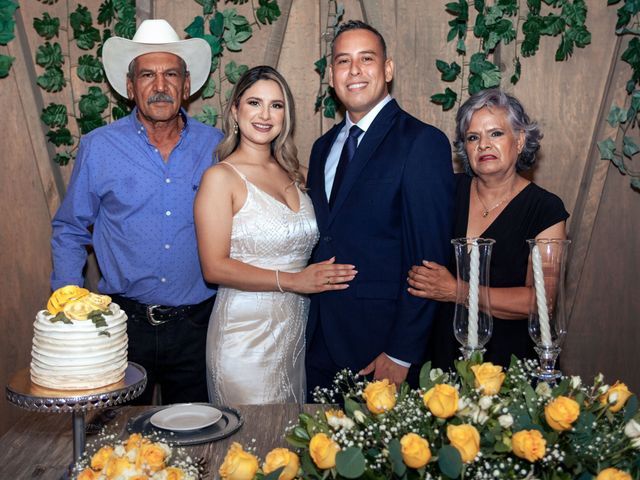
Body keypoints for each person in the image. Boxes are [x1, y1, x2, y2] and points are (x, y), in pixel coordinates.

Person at [50, 19, 223, 404]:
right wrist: (68, 307)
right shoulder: (99, 148)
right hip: (122, 330)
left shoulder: (217, 148)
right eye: (148, 74)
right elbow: (70, 229)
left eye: (170, 74)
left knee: (196, 441)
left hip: (199, 327)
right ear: (130, 87)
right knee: (121, 449)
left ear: (187, 84)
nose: (160, 87)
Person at [305, 20, 455, 395]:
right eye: (343, 61)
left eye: (366, 59)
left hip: (383, 348)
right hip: (319, 340)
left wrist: (402, 352)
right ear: (332, 76)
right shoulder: (322, 147)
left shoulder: (422, 142)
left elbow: (428, 260)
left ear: (387, 69)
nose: (354, 71)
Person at [194, 66, 357, 404]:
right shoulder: (220, 178)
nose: (265, 115)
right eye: (254, 103)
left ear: (286, 116)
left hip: (297, 330)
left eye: (276, 105)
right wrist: (294, 281)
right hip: (243, 338)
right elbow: (215, 267)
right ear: (236, 111)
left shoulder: (299, 174)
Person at [408, 88, 569, 369]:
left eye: (495, 133)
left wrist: (456, 290)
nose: (483, 145)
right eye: (473, 137)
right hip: (440, 360)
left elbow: (540, 303)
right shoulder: (447, 192)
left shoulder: (545, 209)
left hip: (510, 366)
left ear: (519, 141)